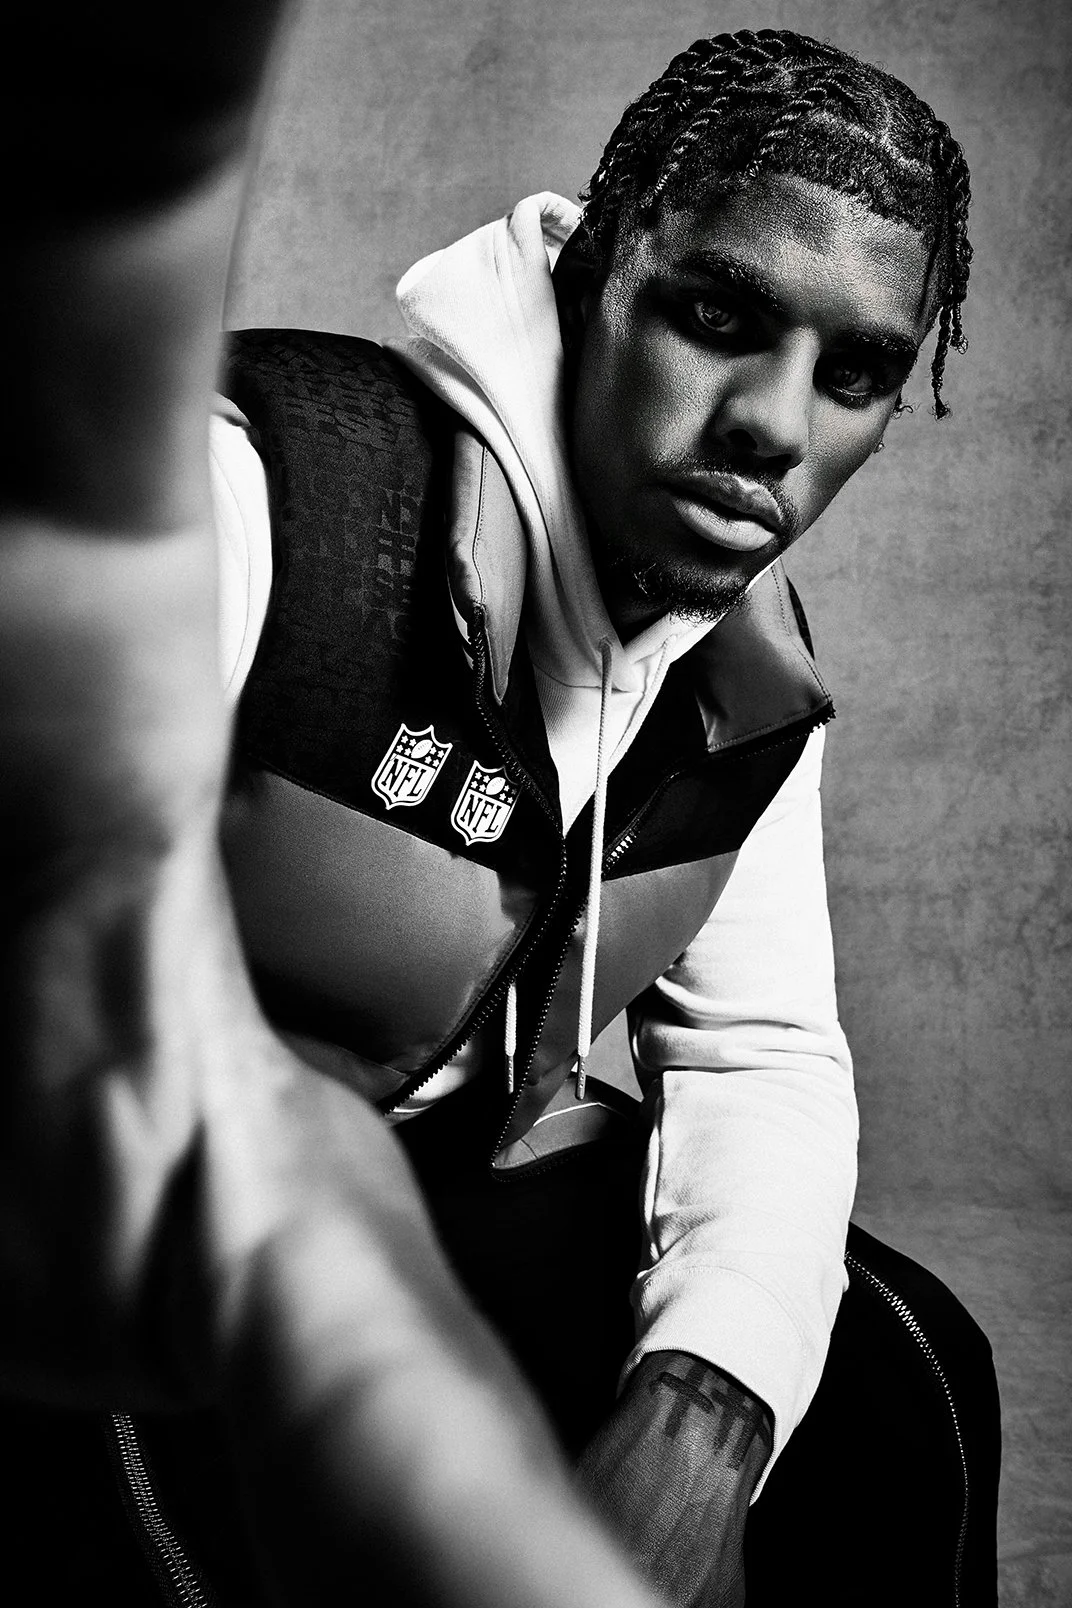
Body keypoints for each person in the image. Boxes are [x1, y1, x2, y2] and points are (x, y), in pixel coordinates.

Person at [0, 13, 1000, 1607]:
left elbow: (763, 1058)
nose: (774, 425)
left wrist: (704, 1407)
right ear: (593, 272)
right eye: (717, 315)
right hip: (154, 1228)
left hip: (473, 1177)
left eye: (857, 371)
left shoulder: (739, 670)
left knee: (907, 1376)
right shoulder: (272, 505)